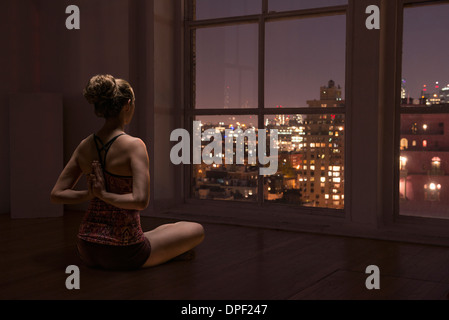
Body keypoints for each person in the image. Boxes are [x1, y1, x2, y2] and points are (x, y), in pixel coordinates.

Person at [51, 74, 205, 270]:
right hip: (125, 252)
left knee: (166, 229)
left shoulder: (85, 146)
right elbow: (141, 201)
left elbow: (57, 194)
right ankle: (169, 254)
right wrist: (104, 195)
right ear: (127, 104)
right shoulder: (134, 146)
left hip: (86, 248)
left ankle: (168, 249)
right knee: (196, 230)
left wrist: (90, 194)